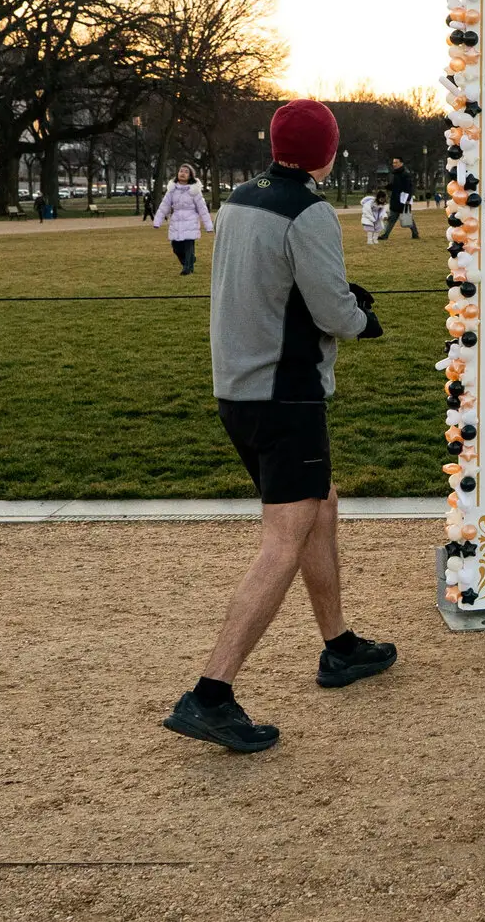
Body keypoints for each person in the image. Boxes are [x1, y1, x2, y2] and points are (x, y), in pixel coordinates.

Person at [162, 99, 394, 754]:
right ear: (326, 149)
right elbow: (331, 306)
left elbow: (277, 285)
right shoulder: (311, 210)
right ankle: (210, 692)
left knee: (321, 503)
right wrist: (363, 319)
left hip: (237, 386)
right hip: (283, 393)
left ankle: (340, 646)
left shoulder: (239, 197)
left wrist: (342, 303)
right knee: (283, 538)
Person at [152, 164, 214, 275]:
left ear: (190, 176)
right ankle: (189, 261)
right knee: (176, 247)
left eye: (186, 172)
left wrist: (209, 226)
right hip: (176, 222)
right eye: (181, 171)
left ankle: (187, 269)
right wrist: (157, 221)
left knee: (188, 245)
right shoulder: (171, 190)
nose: (183, 173)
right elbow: (164, 206)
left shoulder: (195, 191)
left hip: (191, 222)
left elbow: (202, 209)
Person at [384, 156, 419, 239]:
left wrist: (407, 200)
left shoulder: (405, 174)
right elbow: (396, 186)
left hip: (403, 200)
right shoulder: (395, 174)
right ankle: (385, 235)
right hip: (395, 199)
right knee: (392, 219)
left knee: (406, 217)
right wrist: (388, 186)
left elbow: (409, 188)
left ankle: (415, 233)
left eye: (396, 162)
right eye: (393, 162)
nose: (394, 164)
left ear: (401, 163)